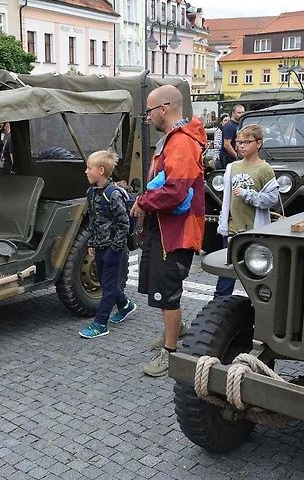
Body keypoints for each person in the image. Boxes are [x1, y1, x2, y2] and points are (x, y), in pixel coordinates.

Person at [132, 85, 206, 377]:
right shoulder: (175, 139)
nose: (147, 117)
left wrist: (142, 203)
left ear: (163, 108)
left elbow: (175, 192)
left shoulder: (181, 143)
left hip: (175, 233)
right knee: (161, 288)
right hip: (165, 230)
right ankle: (176, 331)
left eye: (149, 111)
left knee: (167, 291)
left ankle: (171, 352)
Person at [214, 124, 279, 297]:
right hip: (231, 231)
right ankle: (219, 309)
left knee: (255, 275)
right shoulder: (232, 167)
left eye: (246, 142)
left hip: (253, 232)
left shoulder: (265, 169)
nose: (241, 146)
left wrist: (248, 194)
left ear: (258, 143)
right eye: (239, 142)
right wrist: (223, 222)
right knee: (225, 276)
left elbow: (272, 199)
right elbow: (226, 200)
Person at [78, 150, 137, 339]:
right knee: (105, 281)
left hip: (113, 248)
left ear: (101, 170)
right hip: (100, 246)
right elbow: (93, 222)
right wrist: (92, 243)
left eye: (89, 168)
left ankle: (100, 323)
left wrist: (115, 248)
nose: (86, 172)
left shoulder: (113, 195)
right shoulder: (92, 192)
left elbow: (124, 224)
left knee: (108, 287)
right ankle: (125, 305)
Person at [219, 104, 244, 169]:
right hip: (228, 157)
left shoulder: (239, 124)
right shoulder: (229, 126)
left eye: (242, 112)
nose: (241, 114)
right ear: (233, 113)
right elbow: (227, 145)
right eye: (239, 113)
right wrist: (237, 157)